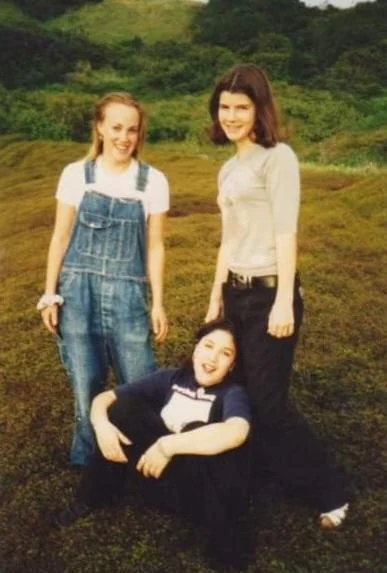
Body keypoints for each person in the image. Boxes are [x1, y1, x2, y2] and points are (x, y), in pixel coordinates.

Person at [205, 64, 349, 529]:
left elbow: (286, 231)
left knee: (269, 404)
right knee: (239, 394)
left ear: (259, 109)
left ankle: (329, 490)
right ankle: (255, 475)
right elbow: (228, 237)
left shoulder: (277, 158)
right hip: (235, 293)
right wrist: (215, 297)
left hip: (269, 294)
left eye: (241, 108)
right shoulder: (229, 168)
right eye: (224, 107)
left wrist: (285, 298)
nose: (231, 116)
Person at [37, 92, 169, 467]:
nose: (124, 137)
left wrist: (157, 303)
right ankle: (88, 459)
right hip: (77, 294)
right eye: (116, 127)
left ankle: (144, 458)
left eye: (132, 129)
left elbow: (155, 247)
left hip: (129, 295)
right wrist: (50, 295)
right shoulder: (76, 174)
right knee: (86, 381)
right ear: (99, 127)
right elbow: (60, 237)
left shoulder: (153, 181)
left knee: (139, 381)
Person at [55, 319, 251, 570]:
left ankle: (224, 551)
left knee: (200, 432)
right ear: (196, 349)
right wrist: (101, 426)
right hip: (153, 474)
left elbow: (237, 432)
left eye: (225, 354)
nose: (212, 358)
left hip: (197, 491)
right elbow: (106, 398)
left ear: (232, 365)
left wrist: (167, 446)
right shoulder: (171, 378)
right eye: (208, 346)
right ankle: (92, 496)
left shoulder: (231, 393)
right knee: (123, 407)